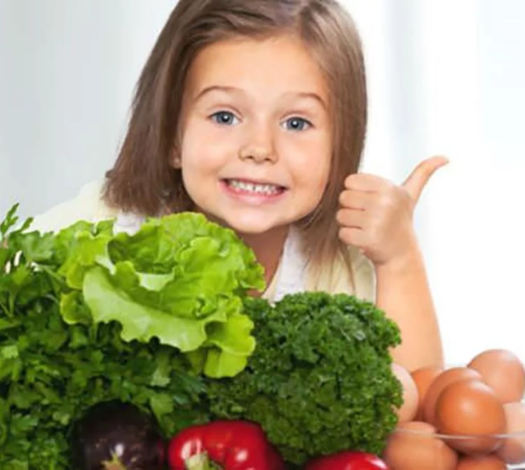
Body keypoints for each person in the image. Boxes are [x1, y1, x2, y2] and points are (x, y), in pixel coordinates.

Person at [30, 0, 444, 371]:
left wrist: (400, 259)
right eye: (225, 117)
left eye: (296, 123)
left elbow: (417, 404)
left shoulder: (337, 267)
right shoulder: (99, 232)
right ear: (173, 137)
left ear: (341, 146)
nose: (260, 148)